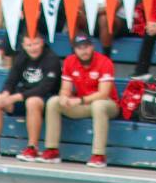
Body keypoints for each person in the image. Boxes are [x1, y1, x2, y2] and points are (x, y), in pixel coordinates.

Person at [0, 32, 64, 158]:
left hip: (46, 99)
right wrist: (6, 93)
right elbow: (11, 80)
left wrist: (16, 97)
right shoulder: (21, 56)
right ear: (24, 45)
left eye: (36, 44)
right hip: (23, 96)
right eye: (29, 45)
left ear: (42, 42)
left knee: (33, 101)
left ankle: (32, 148)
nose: (33, 48)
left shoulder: (51, 58)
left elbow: (45, 88)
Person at [42, 32, 119, 166]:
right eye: (80, 48)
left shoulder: (105, 62)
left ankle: (98, 155)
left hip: (108, 105)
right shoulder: (69, 61)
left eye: (86, 47)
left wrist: (80, 100)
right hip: (85, 105)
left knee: (99, 105)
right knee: (53, 102)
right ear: (75, 49)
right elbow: (65, 88)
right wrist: (64, 97)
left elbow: (103, 93)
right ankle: (52, 150)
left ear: (92, 47)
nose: (84, 51)